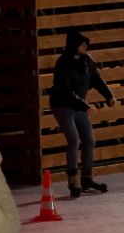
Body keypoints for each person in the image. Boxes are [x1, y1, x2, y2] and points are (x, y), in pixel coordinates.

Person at [48, 29, 115, 198]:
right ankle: (73, 180)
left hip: (79, 106)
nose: (85, 46)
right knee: (73, 139)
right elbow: (65, 90)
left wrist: (108, 95)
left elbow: (97, 79)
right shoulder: (63, 63)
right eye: (82, 43)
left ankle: (87, 178)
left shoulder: (87, 60)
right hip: (62, 105)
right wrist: (84, 105)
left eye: (86, 43)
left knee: (89, 140)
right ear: (73, 46)